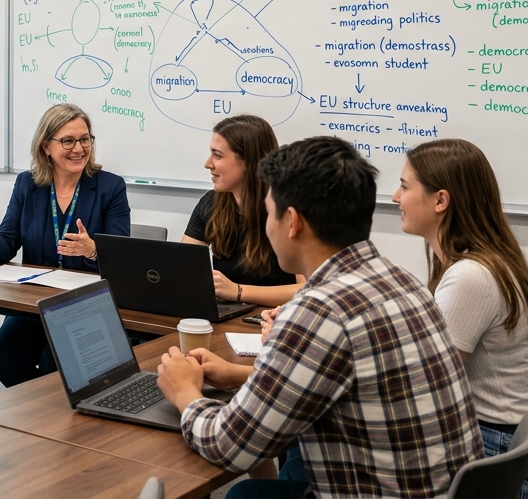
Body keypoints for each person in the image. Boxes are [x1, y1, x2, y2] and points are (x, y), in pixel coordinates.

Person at [156, 136, 482, 499]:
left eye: (269, 214)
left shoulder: (319, 311)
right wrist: (240, 377)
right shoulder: (402, 281)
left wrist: (184, 392)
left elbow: (229, 446)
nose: (266, 228)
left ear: (292, 221)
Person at [393, 139, 528, 499]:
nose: (395, 197)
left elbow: (426, 381)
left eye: (404, 187)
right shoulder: (479, 261)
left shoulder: (470, 276)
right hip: (510, 442)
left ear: (441, 200)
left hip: (501, 452)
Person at [0, 103, 129, 387]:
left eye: (85, 139)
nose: (79, 148)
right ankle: (39, 415)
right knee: (4, 356)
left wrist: (93, 250)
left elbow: (122, 257)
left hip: (86, 302)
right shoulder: (28, 184)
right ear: (46, 146)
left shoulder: (110, 187)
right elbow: (9, 240)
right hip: (36, 301)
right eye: (68, 141)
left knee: (51, 366)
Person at [181, 114, 302, 307]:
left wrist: (237, 291)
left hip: (272, 322)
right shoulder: (211, 203)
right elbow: (183, 267)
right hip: (227, 318)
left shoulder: (289, 209)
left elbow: (308, 289)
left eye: (217, 155)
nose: (208, 164)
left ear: (249, 161)